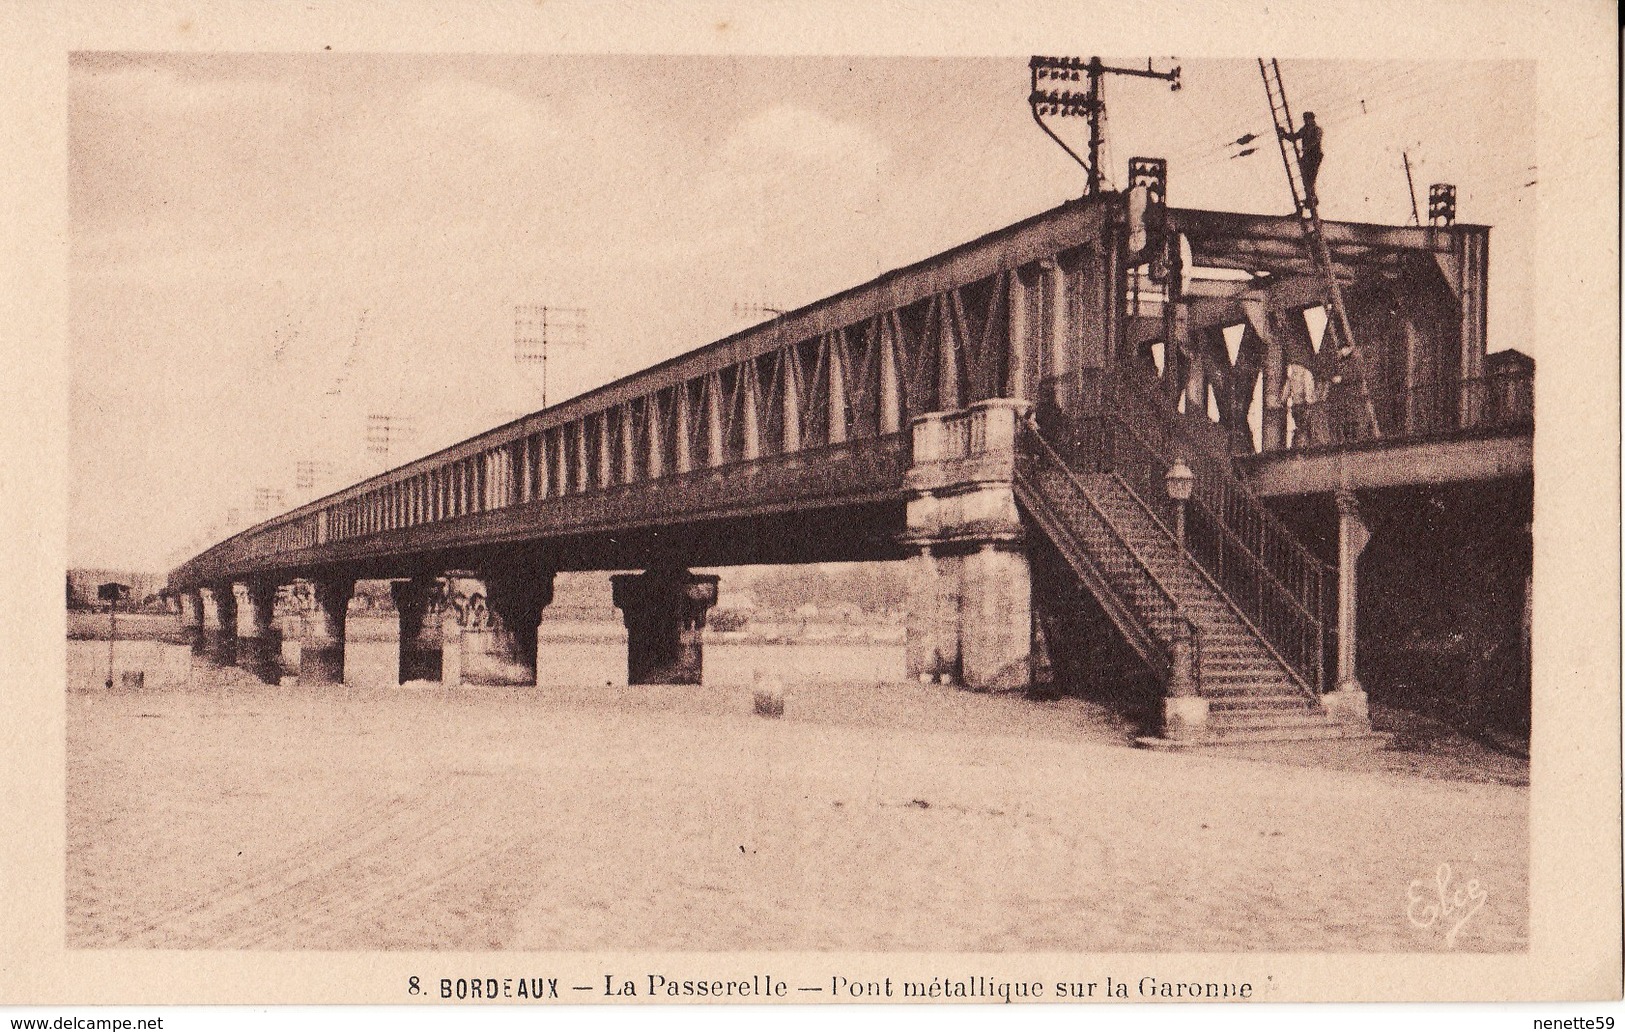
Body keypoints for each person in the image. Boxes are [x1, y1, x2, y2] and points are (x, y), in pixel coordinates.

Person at [1280, 111, 1323, 205]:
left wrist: (1306, 147)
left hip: (1315, 156)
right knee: (1305, 179)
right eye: (1305, 119)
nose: (1306, 121)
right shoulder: (1304, 129)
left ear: (1312, 119)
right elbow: (1294, 137)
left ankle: (1312, 199)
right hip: (1307, 157)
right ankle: (1311, 199)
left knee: (1310, 179)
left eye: (1307, 119)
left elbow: (1316, 140)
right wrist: (1284, 133)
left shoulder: (1317, 129)